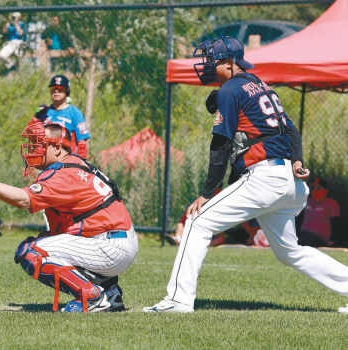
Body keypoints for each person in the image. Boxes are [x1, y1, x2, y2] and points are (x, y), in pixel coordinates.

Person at [143, 36, 348, 314]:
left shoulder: (230, 90)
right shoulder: (263, 87)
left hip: (265, 179)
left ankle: (178, 301)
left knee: (196, 222)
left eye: (212, 60)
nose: (207, 66)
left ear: (229, 63)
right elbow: (291, 131)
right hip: (290, 183)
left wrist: (206, 193)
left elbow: (221, 145)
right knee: (290, 252)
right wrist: (297, 161)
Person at [0, 123, 138, 313]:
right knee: (46, 239)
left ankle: (93, 297)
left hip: (110, 246)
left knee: (31, 252)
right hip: (117, 240)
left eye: (40, 143)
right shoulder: (74, 164)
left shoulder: (63, 175)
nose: (33, 148)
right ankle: (110, 293)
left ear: (58, 149)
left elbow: (23, 200)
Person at [27, 75, 90, 158]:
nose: (56, 91)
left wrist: (81, 164)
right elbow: (30, 134)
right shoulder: (44, 112)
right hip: (46, 161)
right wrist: (36, 118)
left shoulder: (75, 113)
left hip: (67, 162)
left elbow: (82, 143)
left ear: (67, 91)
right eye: (53, 89)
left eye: (60, 89)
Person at [297, 178, 343, 247]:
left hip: (319, 238)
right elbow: (298, 219)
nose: (315, 191)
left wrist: (335, 241)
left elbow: (336, 224)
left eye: (318, 188)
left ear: (325, 191)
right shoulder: (306, 201)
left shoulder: (331, 203)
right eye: (312, 188)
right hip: (303, 234)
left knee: (303, 241)